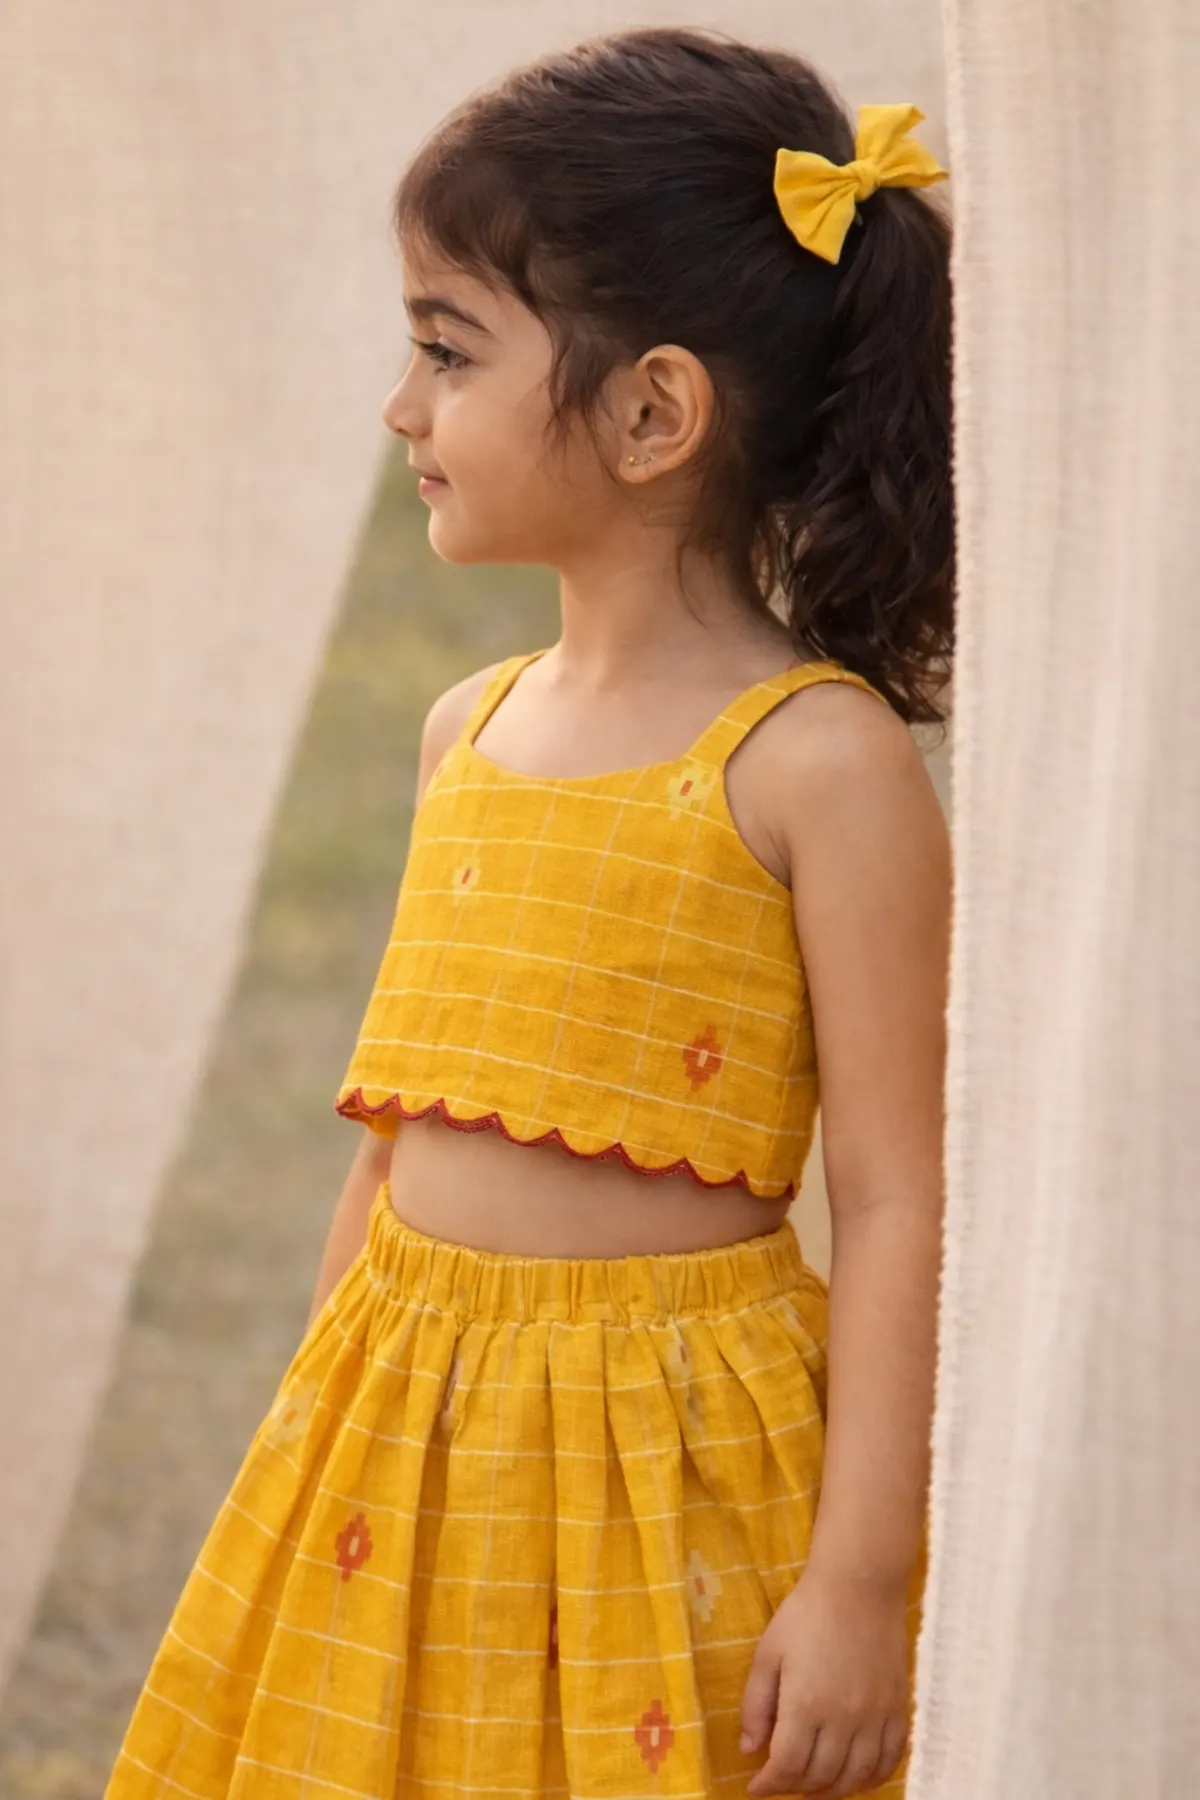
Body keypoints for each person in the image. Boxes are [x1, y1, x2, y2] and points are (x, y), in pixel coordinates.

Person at [105, 25, 953, 1800]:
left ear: (652, 412)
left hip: (669, 1482)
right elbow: (393, 1143)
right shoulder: (463, 731)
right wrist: (312, 1447)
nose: (402, 408)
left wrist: (861, 1580)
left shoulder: (817, 764)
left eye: (446, 349)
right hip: (402, 1446)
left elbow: (894, 1199)